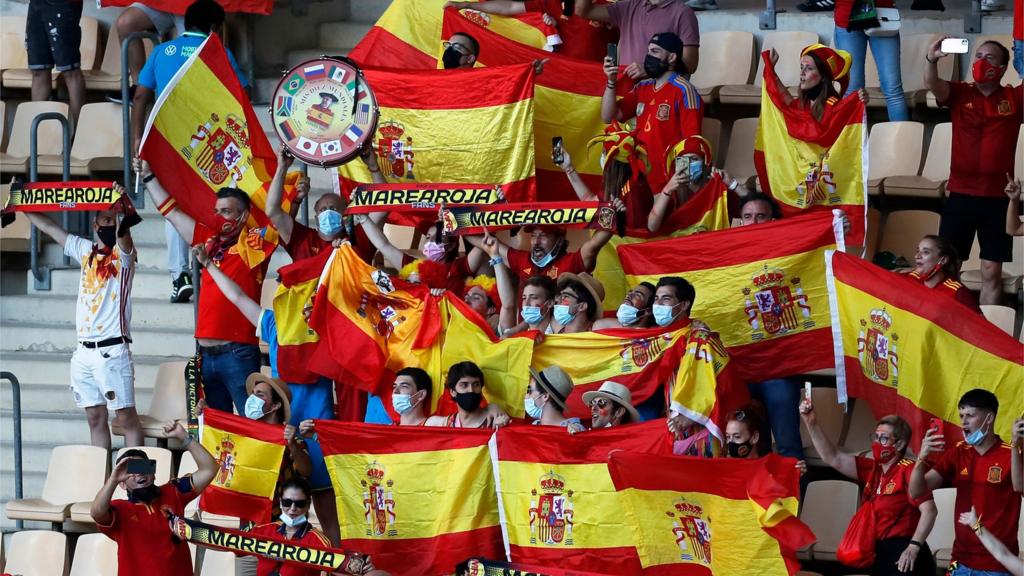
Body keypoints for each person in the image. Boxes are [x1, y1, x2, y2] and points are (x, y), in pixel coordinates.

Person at [131, 0, 247, 304]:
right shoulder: (218, 52)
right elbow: (241, 95)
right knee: (215, 204)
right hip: (208, 144)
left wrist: (137, 139)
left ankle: (179, 276)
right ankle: (215, 264)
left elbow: (140, 95)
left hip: (168, 144)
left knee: (174, 206)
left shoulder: (161, 51)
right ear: (214, 28)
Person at [138, 158, 270, 415]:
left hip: (239, 353)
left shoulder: (254, 246)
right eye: (217, 211)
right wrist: (148, 177)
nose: (219, 217)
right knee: (214, 428)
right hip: (205, 355)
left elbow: (278, 216)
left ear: (243, 216)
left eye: (227, 211)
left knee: (252, 424)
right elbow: (171, 213)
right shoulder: (206, 241)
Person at [23, 191, 144, 450]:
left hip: (113, 350)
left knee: (126, 419)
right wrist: (21, 204)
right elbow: (48, 226)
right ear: (95, 224)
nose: (110, 226)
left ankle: (135, 481)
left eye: (113, 221)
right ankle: (102, 483)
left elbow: (125, 238)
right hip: (83, 351)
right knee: (94, 417)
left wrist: (122, 207)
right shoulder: (85, 250)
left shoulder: (124, 258)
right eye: (106, 221)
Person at [927, 38, 1023, 306]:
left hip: (998, 198)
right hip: (961, 193)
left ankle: (986, 335)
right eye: (978, 56)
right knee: (947, 269)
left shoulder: (1014, 98)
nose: (982, 62)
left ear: (1003, 68)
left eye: (990, 58)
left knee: (991, 271)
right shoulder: (960, 93)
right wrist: (932, 60)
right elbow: (932, 84)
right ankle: (950, 326)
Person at [802, 401, 937, 576]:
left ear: (899, 445)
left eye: (883, 438)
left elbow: (930, 510)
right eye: (875, 437)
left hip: (905, 553)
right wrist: (811, 424)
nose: (877, 442)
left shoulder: (908, 469)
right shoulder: (873, 468)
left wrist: (913, 547)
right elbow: (833, 457)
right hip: (878, 550)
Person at [909, 389, 1023, 575]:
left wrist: (1017, 446)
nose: (963, 422)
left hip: (997, 565)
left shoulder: (1011, 452)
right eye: (961, 415)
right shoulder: (958, 451)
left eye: (970, 415)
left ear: (989, 418)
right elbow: (916, 492)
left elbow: (1020, 486)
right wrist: (922, 457)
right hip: (958, 562)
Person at [91, 422, 218, 576]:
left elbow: (210, 469)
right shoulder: (119, 510)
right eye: (130, 470)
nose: (139, 473)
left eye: (143, 467)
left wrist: (183, 437)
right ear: (122, 484)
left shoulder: (174, 492)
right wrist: (113, 479)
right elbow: (97, 513)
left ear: (153, 473)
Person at [603, 32, 703, 196]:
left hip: (667, 186)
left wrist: (678, 190)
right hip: (639, 181)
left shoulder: (684, 91)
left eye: (655, 52)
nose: (648, 56)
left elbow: (691, 145)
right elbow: (609, 116)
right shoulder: (643, 87)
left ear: (671, 57)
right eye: (648, 51)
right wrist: (611, 81)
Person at [443, 0, 617, 61]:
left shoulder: (611, 7)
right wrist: (465, 4)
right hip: (563, 77)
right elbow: (510, 7)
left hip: (596, 80)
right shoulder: (551, 2)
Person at [647, 135, 747, 234]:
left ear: (704, 163)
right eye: (683, 161)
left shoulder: (715, 188)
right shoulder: (672, 192)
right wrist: (667, 190)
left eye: (694, 159)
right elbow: (652, 227)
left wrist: (732, 183)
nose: (689, 164)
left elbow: (754, 204)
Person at [360, 217, 482, 294]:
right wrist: (363, 218)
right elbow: (383, 245)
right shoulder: (412, 265)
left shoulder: (458, 267)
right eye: (428, 237)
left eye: (438, 237)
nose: (429, 241)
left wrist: (455, 220)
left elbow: (484, 245)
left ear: (450, 246)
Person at [832, 0, 909, 121]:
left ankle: (903, 139)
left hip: (883, 14)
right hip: (847, 15)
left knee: (893, 90)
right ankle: (852, 140)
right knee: (852, 91)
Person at [575, 0, 699, 72]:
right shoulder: (628, 6)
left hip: (662, 97)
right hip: (627, 92)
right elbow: (582, 10)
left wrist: (650, 69)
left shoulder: (683, 12)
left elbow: (690, 65)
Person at [265, 145, 341, 261]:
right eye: (322, 210)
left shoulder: (354, 240)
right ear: (316, 218)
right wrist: (282, 167)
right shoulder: (304, 239)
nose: (328, 213)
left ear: (345, 214)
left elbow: (379, 214)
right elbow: (272, 210)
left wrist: (374, 168)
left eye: (334, 209)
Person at [246, 477, 333, 576]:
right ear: (280, 502)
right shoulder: (263, 531)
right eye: (287, 503)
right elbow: (234, 548)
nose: (292, 509)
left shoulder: (319, 542)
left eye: (299, 504)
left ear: (308, 505)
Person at [766, 43, 869, 124]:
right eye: (801, 67)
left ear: (823, 77)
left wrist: (859, 100)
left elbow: (847, 113)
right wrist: (771, 70)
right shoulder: (804, 102)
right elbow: (788, 102)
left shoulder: (833, 105)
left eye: (809, 68)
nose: (802, 73)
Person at [25, 0, 86, 124]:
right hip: (36, 4)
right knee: (38, 70)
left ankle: (80, 133)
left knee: (70, 70)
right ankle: (37, 135)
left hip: (64, 4)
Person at [111, 3, 184, 98]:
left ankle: (186, 95)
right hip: (163, 3)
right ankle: (139, 87)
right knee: (125, 24)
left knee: (190, 40)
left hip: (191, 5)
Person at [905, 235, 981, 312]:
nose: (917, 256)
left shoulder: (957, 292)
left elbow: (980, 322)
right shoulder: (908, 279)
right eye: (918, 251)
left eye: (926, 252)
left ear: (943, 260)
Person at [425, 361, 511, 428]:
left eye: (476, 384)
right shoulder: (438, 425)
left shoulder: (495, 420)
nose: (471, 390)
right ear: (452, 391)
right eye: (464, 385)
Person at [958, 507, 1024, 576]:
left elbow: (1003, 555)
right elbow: (1003, 555)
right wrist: (975, 524)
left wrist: (975, 524)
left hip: (993, 569)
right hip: (960, 564)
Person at [525, 365, 585, 433]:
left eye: (529, 390)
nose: (526, 396)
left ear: (545, 397)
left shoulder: (575, 431)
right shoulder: (533, 427)